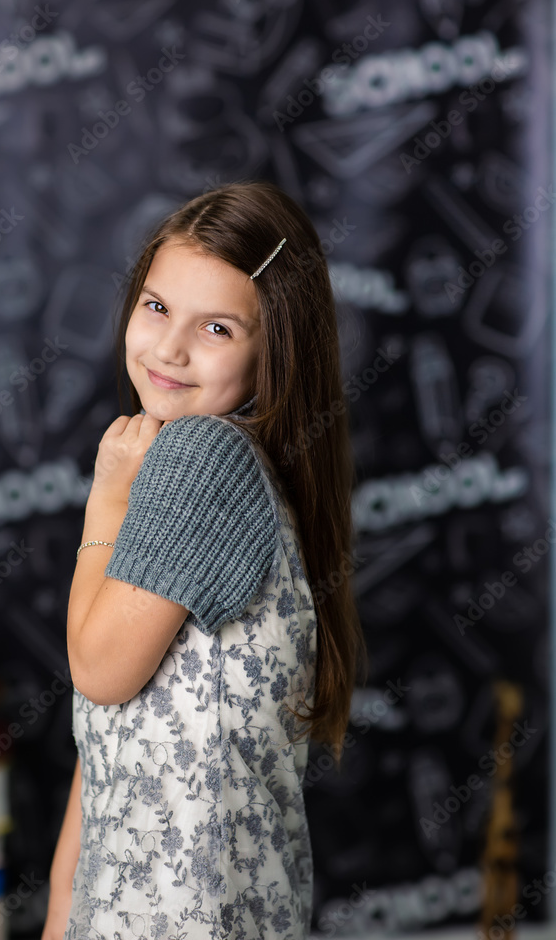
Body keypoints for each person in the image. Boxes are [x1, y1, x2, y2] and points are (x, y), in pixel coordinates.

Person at [42, 179, 368, 940]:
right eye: (157, 306)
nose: (169, 348)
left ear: (274, 353)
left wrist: (106, 498)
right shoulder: (221, 463)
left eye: (217, 328)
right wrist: (61, 915)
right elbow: (107, 742)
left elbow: (100, 671)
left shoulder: (201, 456)